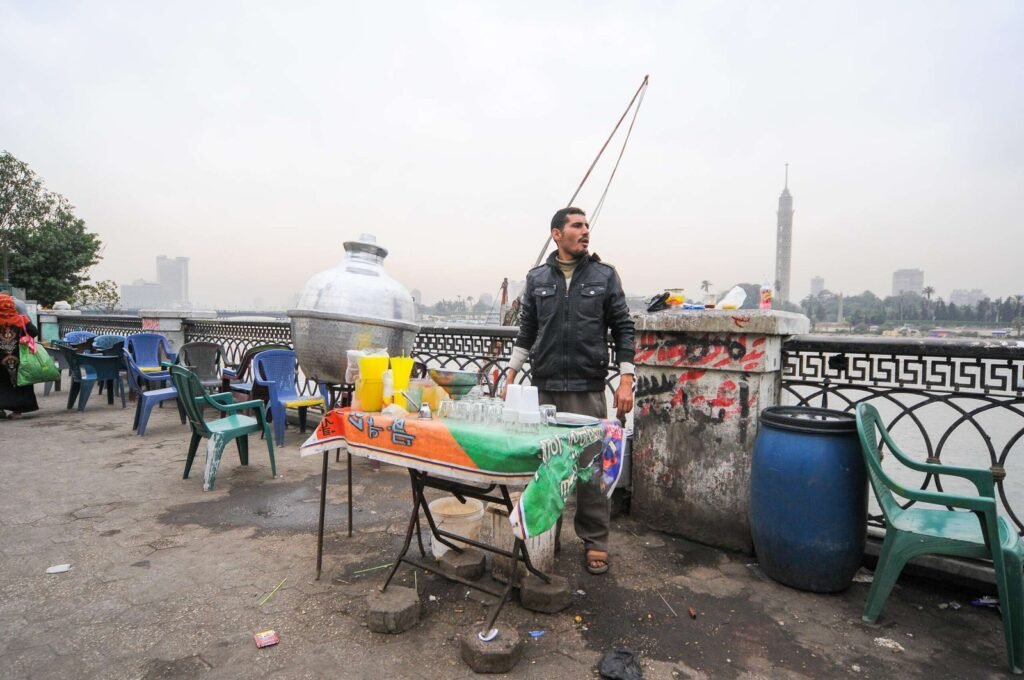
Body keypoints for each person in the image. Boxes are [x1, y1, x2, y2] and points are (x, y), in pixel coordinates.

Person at [503, 207, 635, 575]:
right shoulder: (536, 278)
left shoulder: (604, 276)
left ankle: (595, 541)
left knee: (592, 470)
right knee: (547, 468)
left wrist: (626, 379)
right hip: (543, 388)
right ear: (557, 234)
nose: (585, 231)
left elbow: (624, 328)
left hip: (587, 386)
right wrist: (511, 373)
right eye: (577, 226)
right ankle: (546, 534)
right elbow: (527, 330)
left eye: (587, 225)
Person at [0, 294, 40, 419]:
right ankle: (18, 412)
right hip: (19, 358)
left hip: (0, 359)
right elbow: (34, 332)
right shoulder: (22, 319)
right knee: (18, 382)